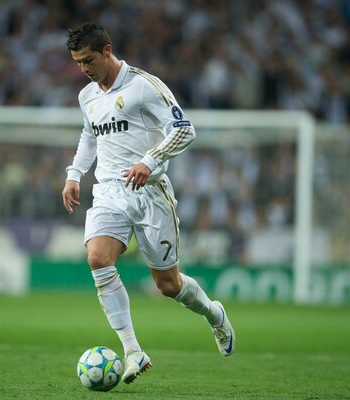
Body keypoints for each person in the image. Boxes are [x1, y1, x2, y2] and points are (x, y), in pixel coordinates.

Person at [61, 23, 235, 384]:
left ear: (107, 51)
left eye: (88, 60)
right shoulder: (87, 96)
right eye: (78, 63)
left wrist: (150, 160)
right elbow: (89, 135)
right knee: (97, 258)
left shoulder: (144, 86)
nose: (84, 69)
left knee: (168, 286)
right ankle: (132, 350)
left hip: (151, 192)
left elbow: (184, 129)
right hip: (109, 191)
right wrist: (74, 174)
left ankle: (213, 314)